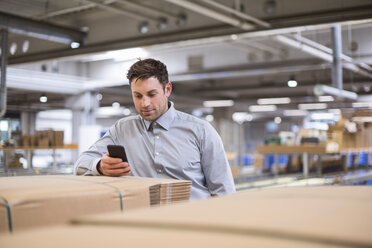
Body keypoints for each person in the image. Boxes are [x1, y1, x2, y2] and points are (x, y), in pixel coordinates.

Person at [74, 58, 236, 200]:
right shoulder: (121, 129)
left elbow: (224, 191)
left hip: (193, 224)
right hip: (145, 226)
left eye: (152, 94)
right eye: (137, 96)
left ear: (167, 90)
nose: (144, 103)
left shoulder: (200, 131)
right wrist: (100, 166)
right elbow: (80, 164)